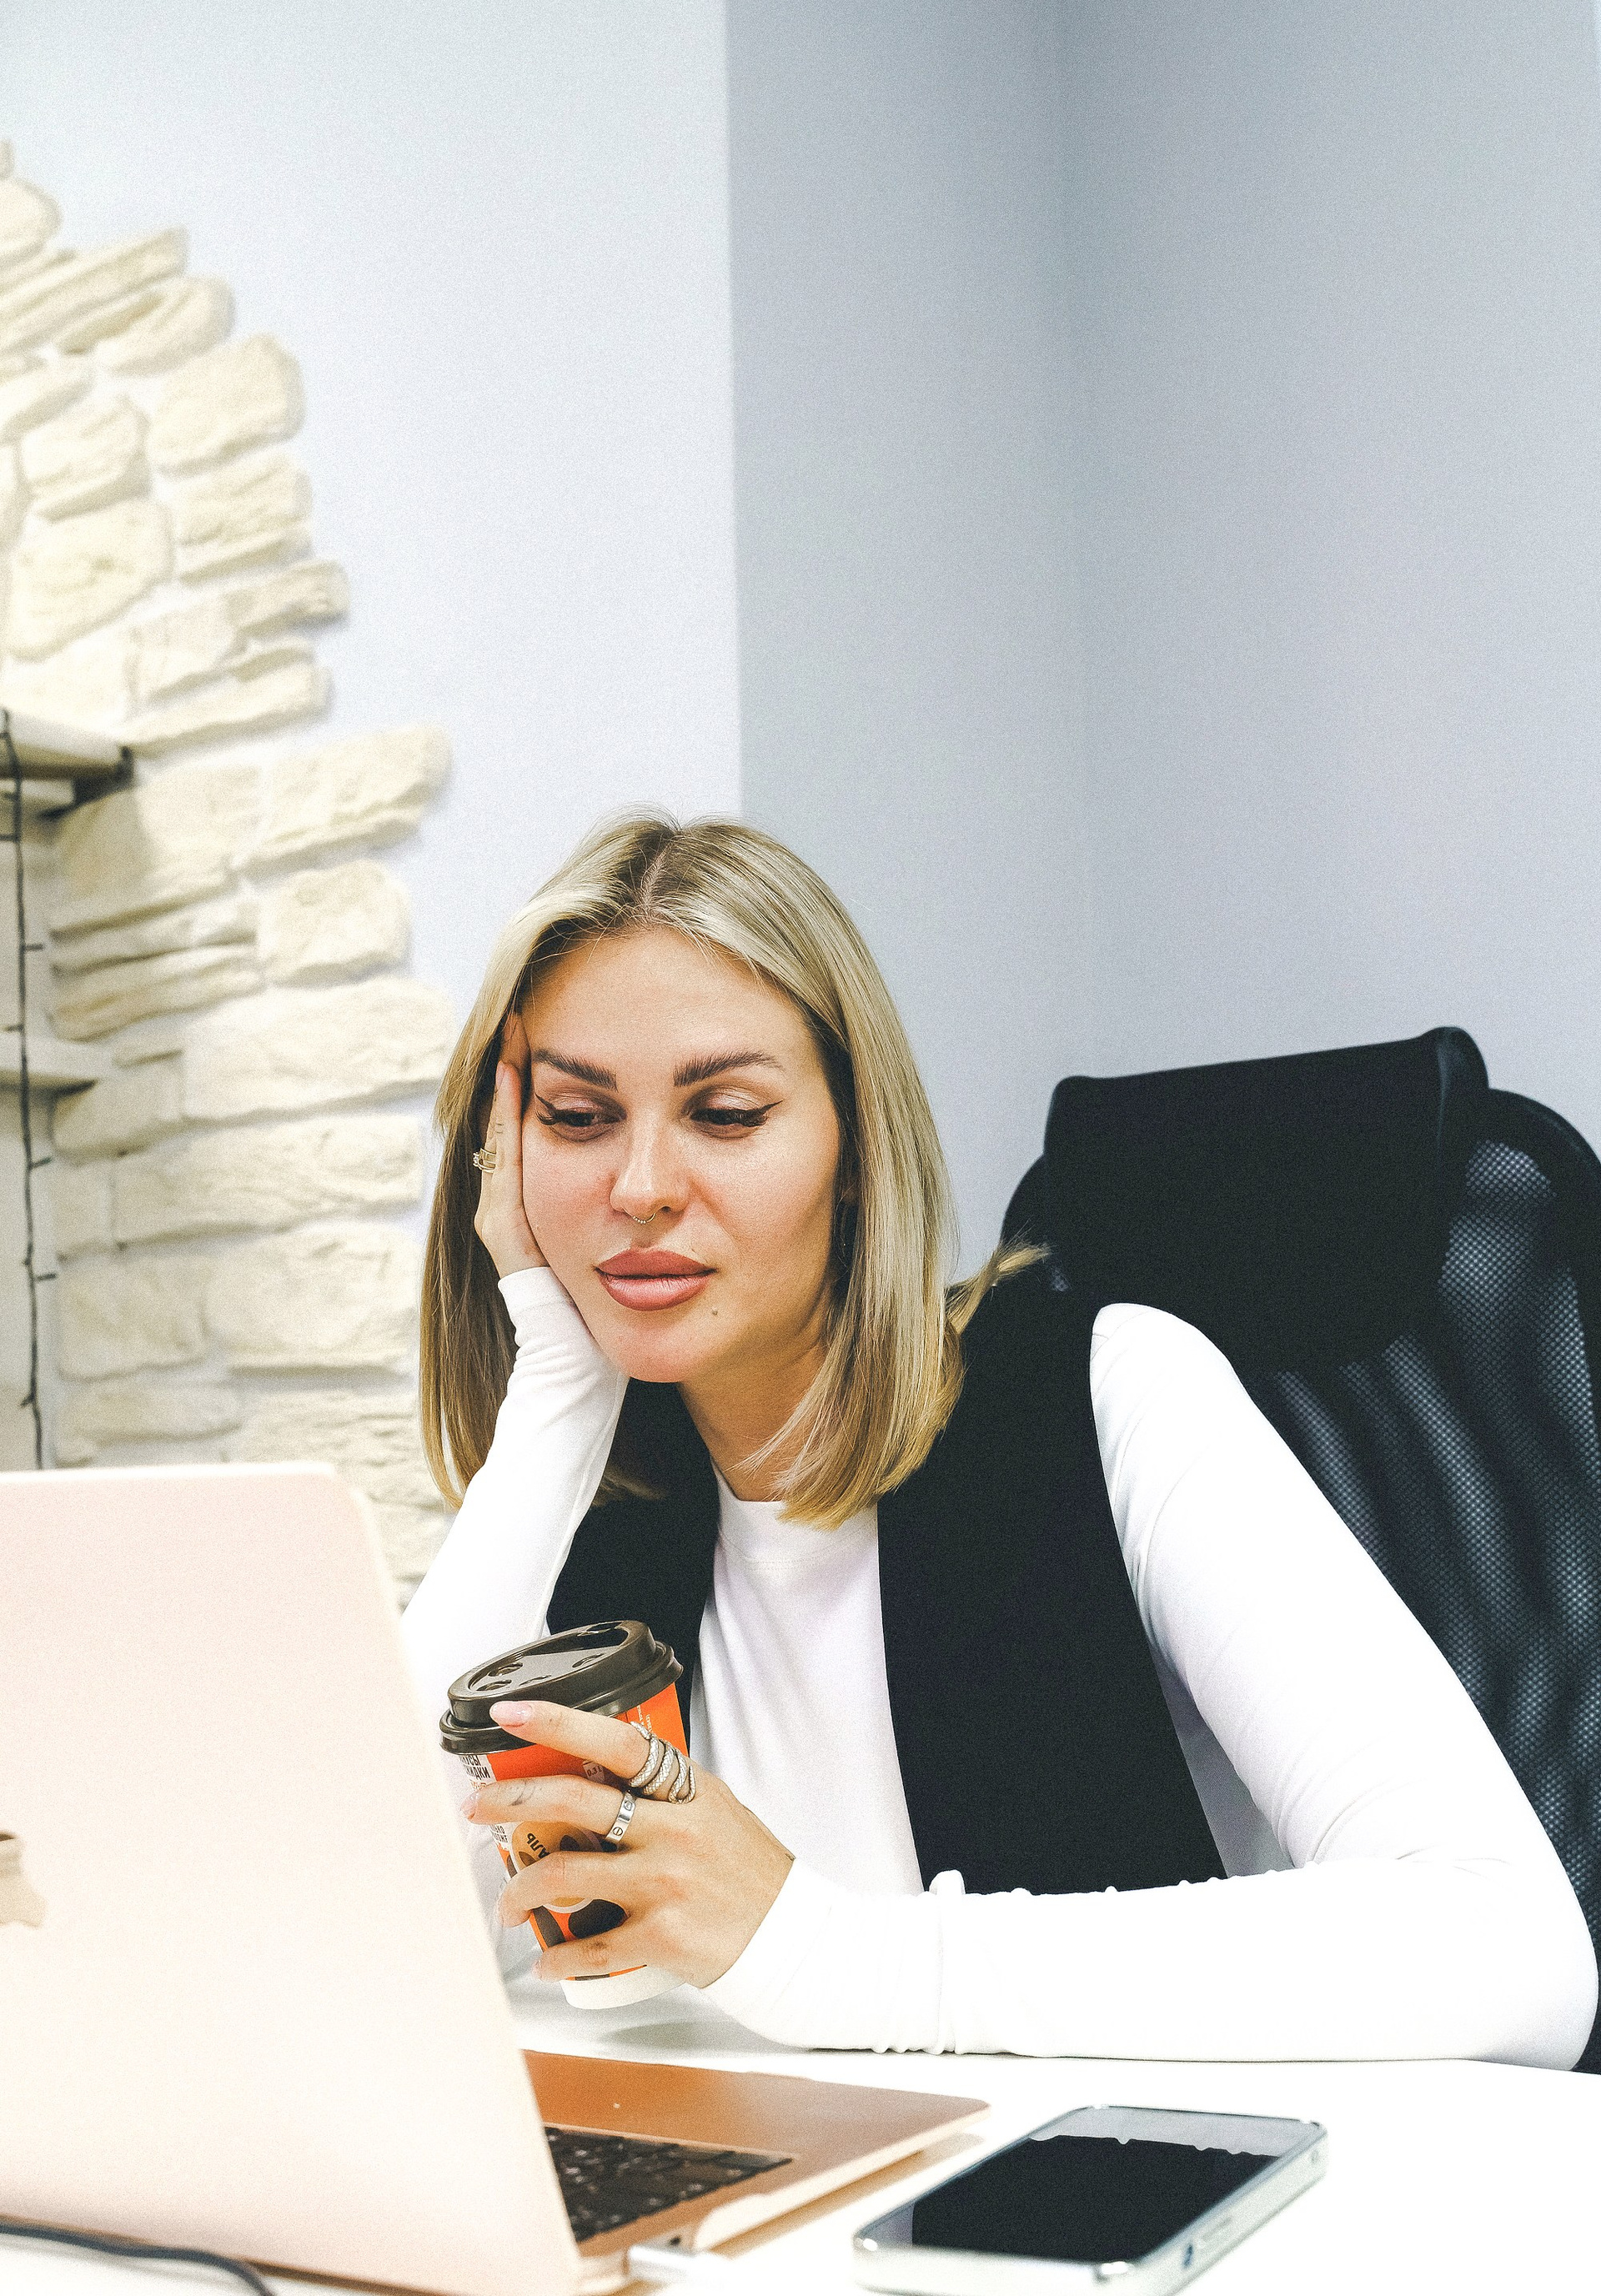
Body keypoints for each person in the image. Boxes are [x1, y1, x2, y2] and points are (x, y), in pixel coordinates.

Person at [401, 812, 1597, 2066]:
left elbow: (1513, 1954)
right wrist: (554, 1403)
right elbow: (368, 1958)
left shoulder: (1107, 1395)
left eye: (730, 1112)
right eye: (577, 1117)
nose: (641, 1185)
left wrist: (822, 1956)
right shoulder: (595, 1518)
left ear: (854, 1146)